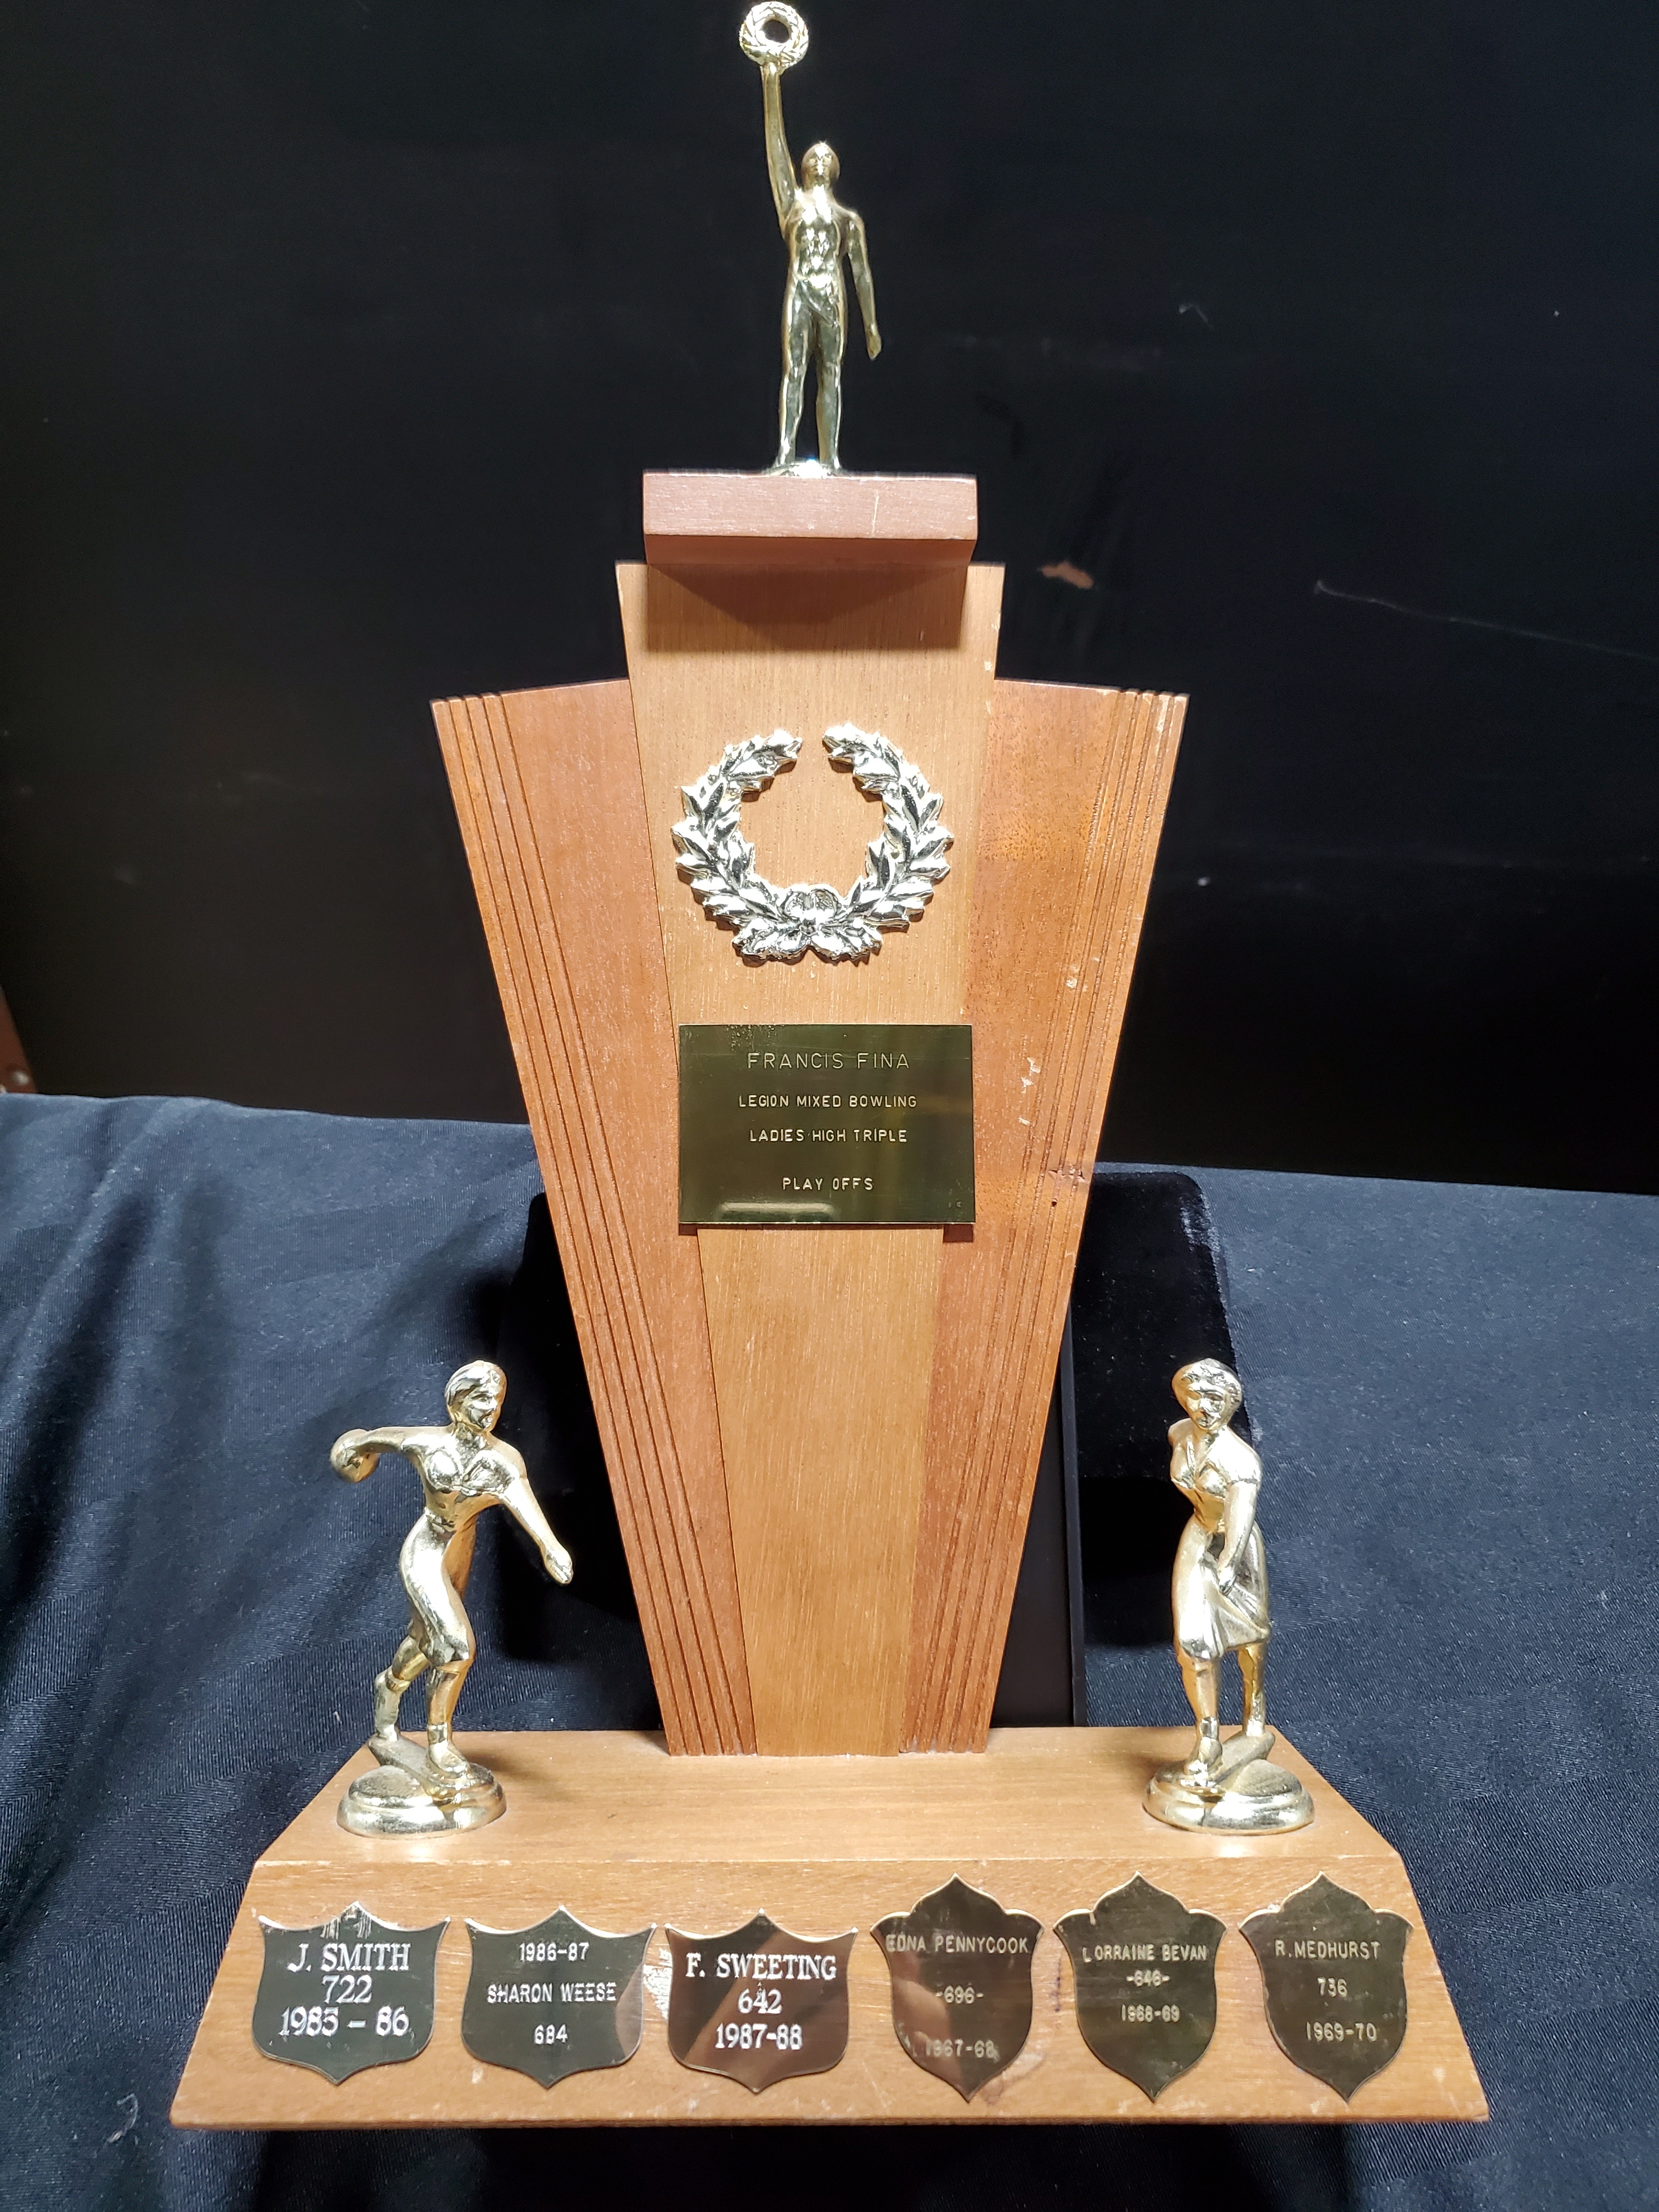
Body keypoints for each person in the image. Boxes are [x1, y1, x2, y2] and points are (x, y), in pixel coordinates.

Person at [332, 1359, 572, 1805]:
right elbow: (380, 1439)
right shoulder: (428, 1444)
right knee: (458, 1647)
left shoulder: (503, 1461)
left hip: (459, 1552)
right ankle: (439, 1741)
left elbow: (523, 1502)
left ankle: (389, 1686)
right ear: (457, 1404)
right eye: (481, 1399)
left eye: (496, 1400)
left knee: (429, 1642)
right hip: (425, 1548)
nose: (491, 1409)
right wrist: (354, 1450)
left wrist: (550, 1546)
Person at [757, 49, 880, 473]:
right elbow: (776, 147)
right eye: (814, 155)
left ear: (837, 169)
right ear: (804, 166)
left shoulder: (848, 219)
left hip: (832, 295)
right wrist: (770, 81)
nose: (821, 160)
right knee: (793, 370)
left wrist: (871, 326)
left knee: (831, 373)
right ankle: (784, 454)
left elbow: (862, 274)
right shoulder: (791, 205)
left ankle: (831, 459)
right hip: (801, 289)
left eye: (828, 157)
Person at [1165, 1358, 1273, 1785]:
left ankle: (1254, 1705)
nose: (1204, 1406)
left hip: (1236, 1548)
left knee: (1251, 1638)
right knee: (1192, 1643)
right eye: (1195, 1396)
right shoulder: (1179, 1435)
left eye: (1215, 1398)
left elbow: (1242, 1518)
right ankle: (1208, 1734)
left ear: (1230, 1405)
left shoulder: (1241, 1461)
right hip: (1198, 1536)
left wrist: (1228, 1564)